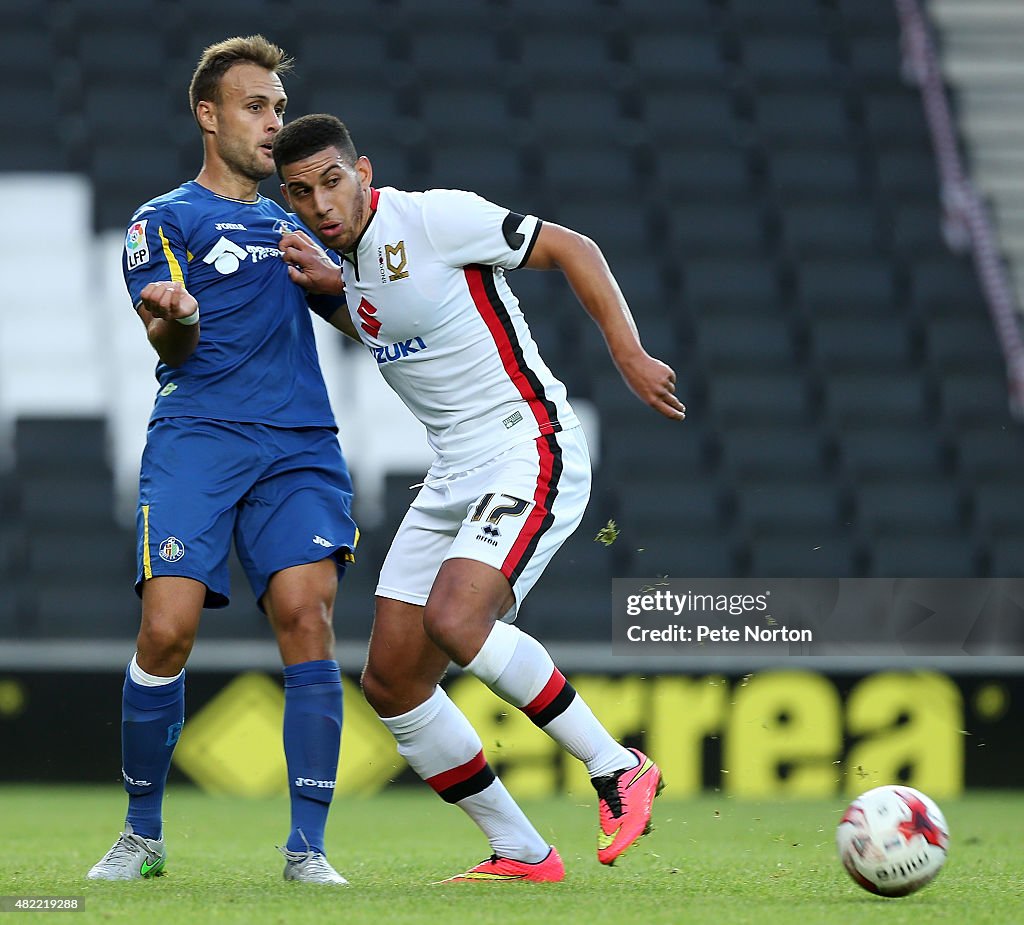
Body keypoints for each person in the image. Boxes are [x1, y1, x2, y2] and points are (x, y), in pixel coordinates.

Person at [271, 114, 686, 883]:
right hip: (452, 472)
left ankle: (617, 766)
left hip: (526, 445)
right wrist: (330, 291)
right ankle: (523, 851)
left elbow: (573, 246)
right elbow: (385, 320)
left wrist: (627, 352)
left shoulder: (434, 217)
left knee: (457, 619)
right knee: (392, 680)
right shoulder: (351, 268)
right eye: (301, 192)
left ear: (364, 172)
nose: (322, 204)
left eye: (332, 180)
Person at [87, 39, 357, 885]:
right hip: (199, 435)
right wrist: (175, 314)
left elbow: (364, 327)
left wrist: (339, 290)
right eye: (255, 107)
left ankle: (307, 849)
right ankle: (142, 835)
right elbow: (169, 333)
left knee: (307, 619)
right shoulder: (164, 219)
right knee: (166, 630)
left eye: (278, 108)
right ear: (209, 115)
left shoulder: (298, 223)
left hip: (298, 446)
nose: (274, 124)